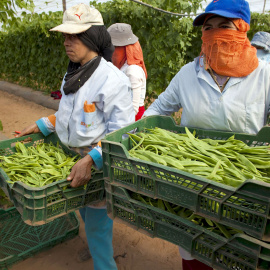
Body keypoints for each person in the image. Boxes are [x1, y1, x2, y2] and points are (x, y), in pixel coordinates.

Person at [143, 0, 270, 269]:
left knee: (238, 253)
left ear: (242, 28)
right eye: (208, 28)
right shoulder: (189, 74)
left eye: (224, 26)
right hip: (192, 187)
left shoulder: (264, 75)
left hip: (245, 190)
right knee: (195, 250)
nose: (215, 34)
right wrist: (141, 132)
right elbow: (157, 109)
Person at [17, 4, 135, 270]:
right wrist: (43, 124)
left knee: (97, 227)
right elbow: (69, 113)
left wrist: (92, 159)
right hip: (70, 159)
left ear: (92, 36)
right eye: (65, 36)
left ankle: (105, 265)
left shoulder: (112, 80)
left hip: (96, 165)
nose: (67, 42)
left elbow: (123, 132)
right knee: (84, 212)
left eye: (74, 36)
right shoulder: (73, 72)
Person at [107, 23, 147, 121]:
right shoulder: (122, 66)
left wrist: (122, 127)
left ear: (125, 48)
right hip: (121, 115)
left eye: (114, 47)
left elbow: (133, 108)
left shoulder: (132, 71)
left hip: (131, 120)